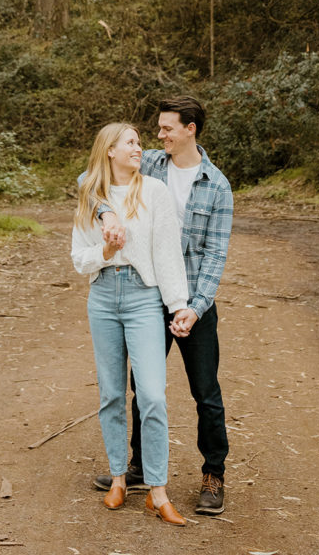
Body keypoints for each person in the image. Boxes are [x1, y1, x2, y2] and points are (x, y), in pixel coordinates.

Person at [93, 96, 233, 515]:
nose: (159, 135)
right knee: (145, 389)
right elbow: (95, 176)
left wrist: (194, 306)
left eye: (167, 128)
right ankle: (138, 467)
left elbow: (215, 255)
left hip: (193, 303)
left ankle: (213, 474)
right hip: (147, 296)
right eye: (157, 129)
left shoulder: (217, 185)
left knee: (205, 391)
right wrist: (104, 214)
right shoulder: (149, 163)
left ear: (191, 128)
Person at [71, 122, 191, 527]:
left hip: (143, 297)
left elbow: (168, 255)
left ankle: (157, 491)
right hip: (103, 295)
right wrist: (105, 250)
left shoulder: (153, 192)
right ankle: (119, 479)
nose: (140, 148)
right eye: (131, 142)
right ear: (110, 151)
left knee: (152, 395)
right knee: (110, 394)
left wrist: (178, 306)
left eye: (140, 142)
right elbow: (79, 259)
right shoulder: (91, 196)